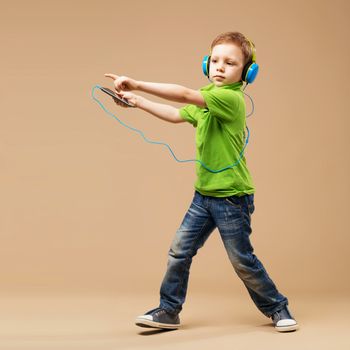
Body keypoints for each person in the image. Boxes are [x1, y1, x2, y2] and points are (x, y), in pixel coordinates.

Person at [104, 31, 299, 333]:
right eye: (216, 60)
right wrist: (138, 102)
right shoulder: (208, 97)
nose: (221, 67)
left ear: (246, 73)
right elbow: (175, 112)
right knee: (179, 250)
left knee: (242, 261)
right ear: (207, 64)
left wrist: (138, 83)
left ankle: (277, 307)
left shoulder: (230, 99)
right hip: (203, 196)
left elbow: (182, 95)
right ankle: (168, 311)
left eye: (230, 63)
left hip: (232, 197)